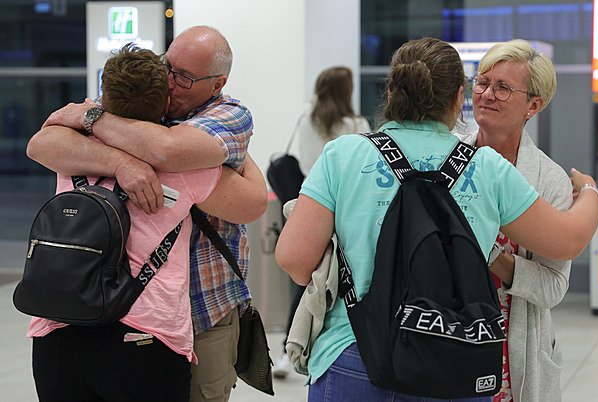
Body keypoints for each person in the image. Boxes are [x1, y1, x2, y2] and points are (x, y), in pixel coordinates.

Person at [274, 37, 598, 401]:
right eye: (483, 84)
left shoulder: (343, 154)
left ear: (392, 92)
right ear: (458, 97)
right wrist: (589, 193)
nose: (488, 94)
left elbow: (294, 260)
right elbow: (568, 240)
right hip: (453, 354)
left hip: (355, 352)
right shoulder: (484, 166)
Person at [26, 26, 267, 402]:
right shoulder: (185, 165)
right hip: (147, 325)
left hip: (201, 309)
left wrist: (93, 118)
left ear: (217, 84)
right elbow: (40, 143)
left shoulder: (228, 117)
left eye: (183, 78)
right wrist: (122, 162)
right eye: (166, 68)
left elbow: (170, 151)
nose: (170, 83)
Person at [455, 39, 572, 402]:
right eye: (482, 82)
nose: (486, 94)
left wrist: (491, 255)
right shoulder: (448, 155)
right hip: (442, 333)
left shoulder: (550, 182)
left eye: (503, 88)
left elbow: (553, 286)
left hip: (509, 344)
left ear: (533, 105)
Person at [273, 66, 372, 379]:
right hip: (346, 210)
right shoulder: (357, 124)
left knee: (306, 280)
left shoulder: (307, 120)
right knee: (341, 279)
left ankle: (292, 351)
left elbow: (303, 164)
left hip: (309, 205)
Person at [296, 66, 371, 176]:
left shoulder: (306, 121)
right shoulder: (357, 125)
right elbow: (365, 163)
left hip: (311, 188)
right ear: (345, 92)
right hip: (345, 189)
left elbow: (306, 164)